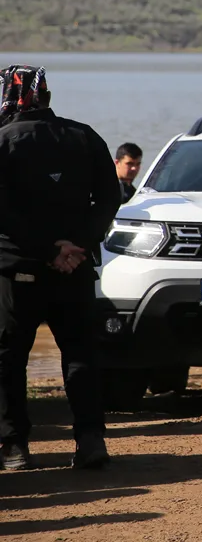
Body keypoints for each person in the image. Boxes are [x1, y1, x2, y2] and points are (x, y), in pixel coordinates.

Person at [0, 66, 120, 471]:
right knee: (80, 354)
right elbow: (108, 197)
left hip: (18, 271)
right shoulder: (84, 136)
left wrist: (45, 250)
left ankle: (14, 445)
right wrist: (78, 246)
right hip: (76, 269)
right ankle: (90, 439)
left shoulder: (2, 140)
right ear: (45, 97)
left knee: (10, 358)